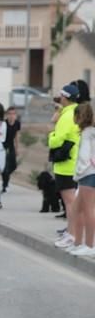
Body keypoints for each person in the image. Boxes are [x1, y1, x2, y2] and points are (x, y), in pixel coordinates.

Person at [50, 84, 81, 248]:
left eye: (61, 95)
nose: (59, 97)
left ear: (66, 97)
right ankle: (73, 233)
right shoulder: (75, 112)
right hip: (74, 162)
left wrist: (52, 133)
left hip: (66, 164)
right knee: (71, 201)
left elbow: (57, 140)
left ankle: (72, 235)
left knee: (69, 201)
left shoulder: (67, 116)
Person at [69, 102, 95, 256]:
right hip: (90, 173)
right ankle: (78, 243)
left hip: (87, 174)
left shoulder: (86, 133)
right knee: (76, 209)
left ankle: (90, 245)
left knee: (88, 210)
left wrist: (78, 173)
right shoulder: (91, 131)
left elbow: (84, 158)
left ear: (79, 116)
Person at [2, 106, 21, 193]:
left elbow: (16, 136)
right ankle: (5, 185)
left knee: (13, 166)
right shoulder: (4, 124)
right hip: (3, 146)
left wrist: (17, 148)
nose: (11, 116)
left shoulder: (17, 123)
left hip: (11, 146)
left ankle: (5, 175)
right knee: (6, 166)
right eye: (9, 114)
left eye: (13, 114)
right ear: (7, 115)